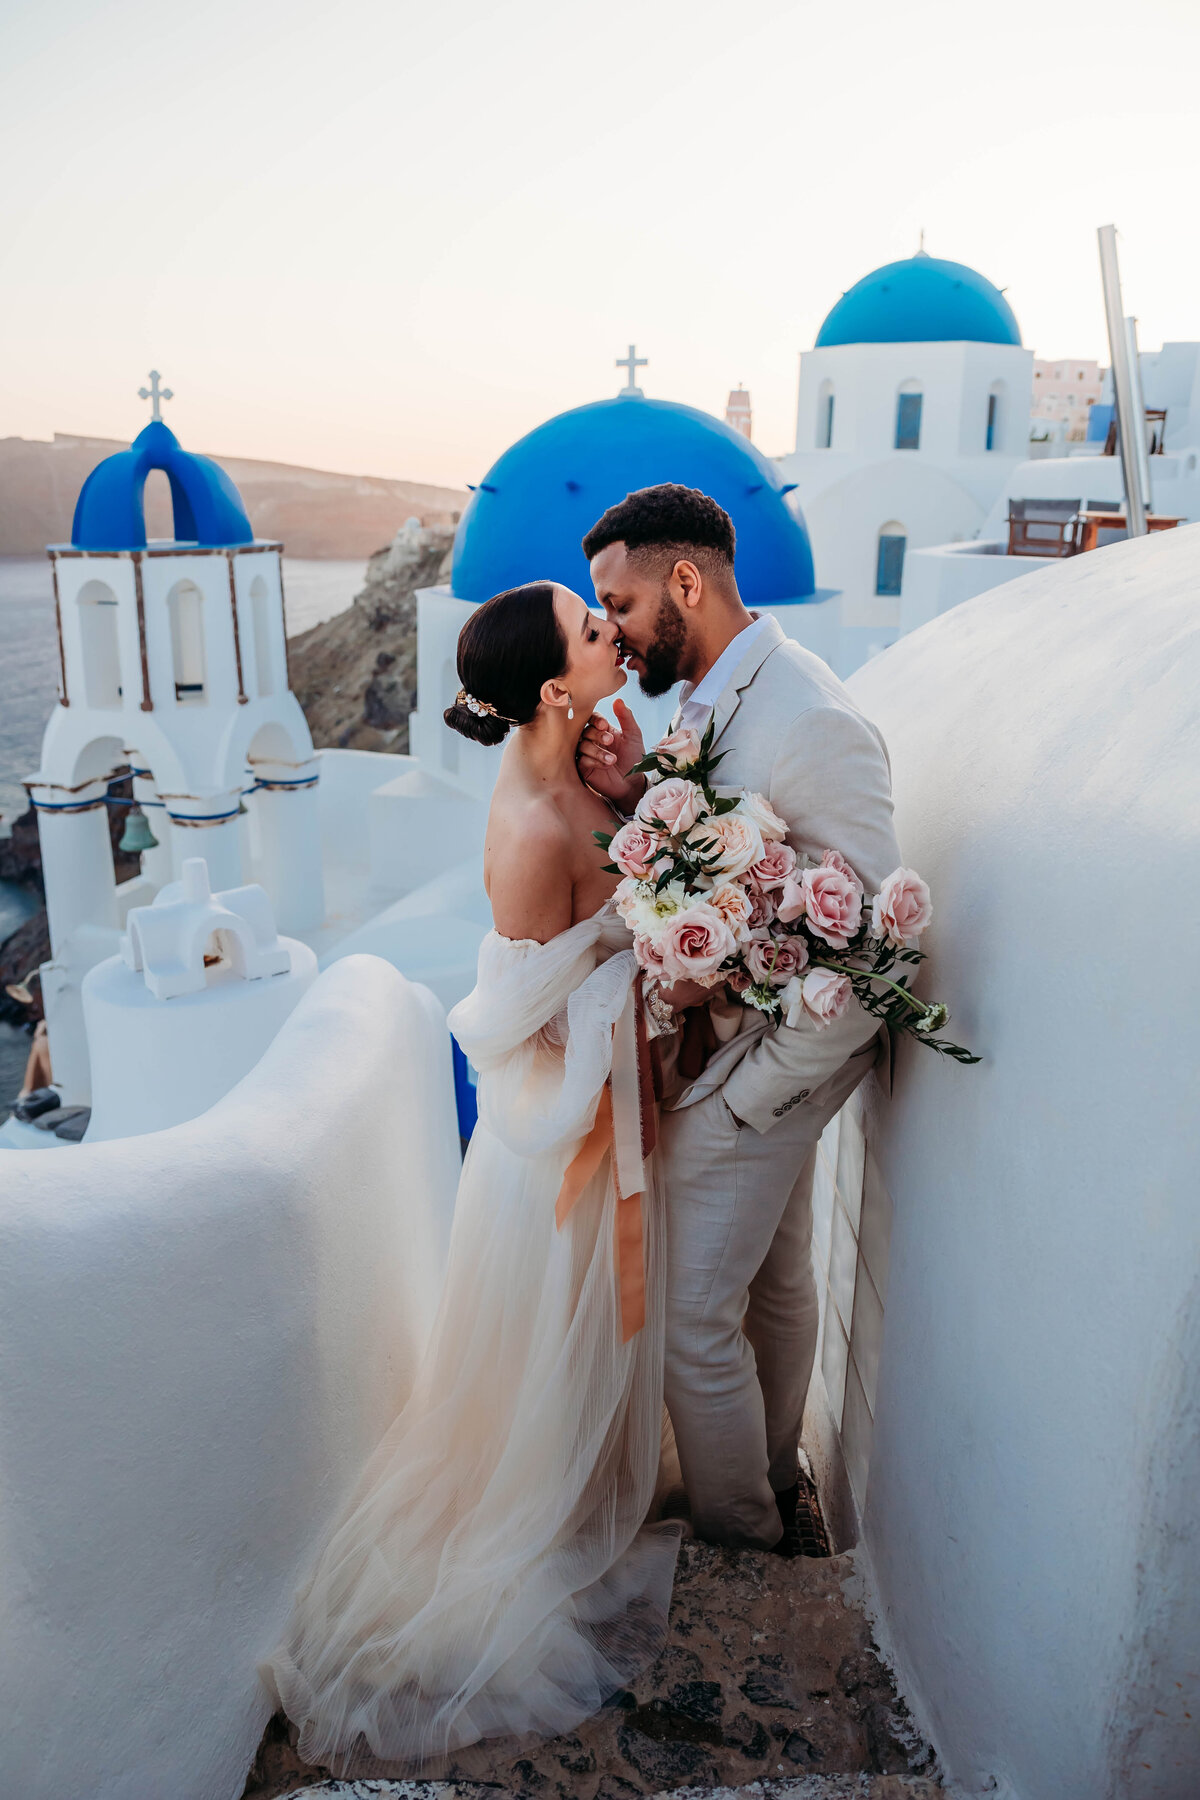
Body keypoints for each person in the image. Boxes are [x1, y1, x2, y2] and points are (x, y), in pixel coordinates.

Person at [268, 580, 684, 1775]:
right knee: (561, 1339)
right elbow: (520, 1017)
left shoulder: (566, 784)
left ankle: (572, 1487)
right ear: (558, 687)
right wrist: (646, 945)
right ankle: (543, 1520)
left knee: (568, 1342)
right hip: (558, 1137)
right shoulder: (543, 825)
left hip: (554, 1134)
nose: (615, 635)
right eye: (596, 631)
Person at [578, 483, 902, 1553]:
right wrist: (637, 795)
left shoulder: (811, 717)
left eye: (620, 606)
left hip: (771, 1074)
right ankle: (772, 1474)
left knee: (687, 1322)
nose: (615, 638)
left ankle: (741, 1538)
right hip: (737, 1048)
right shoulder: (708, 690)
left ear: (685, 583)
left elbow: (872, 951)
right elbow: (717, 860)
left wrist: (755, 1103)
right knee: (774, 1278)